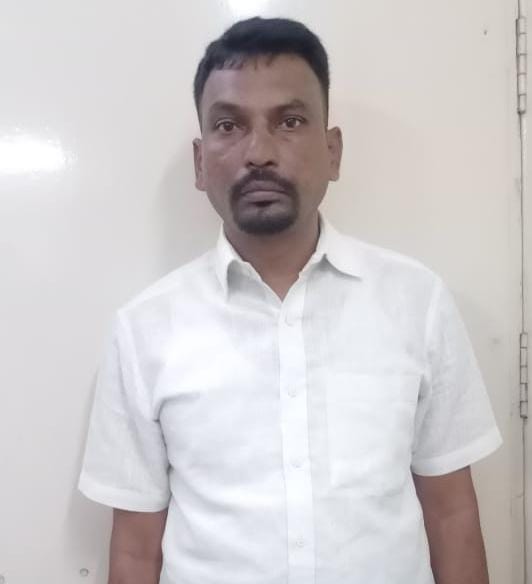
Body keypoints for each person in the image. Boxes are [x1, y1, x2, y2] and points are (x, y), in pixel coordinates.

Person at [78, 16, 503, 584]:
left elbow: (452, 515)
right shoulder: (143, 330)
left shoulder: (416, 302)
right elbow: (135, 551)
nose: (259, 152)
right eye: (229, 125)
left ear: (332, 151)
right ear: (201, 163)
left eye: (290, 121)